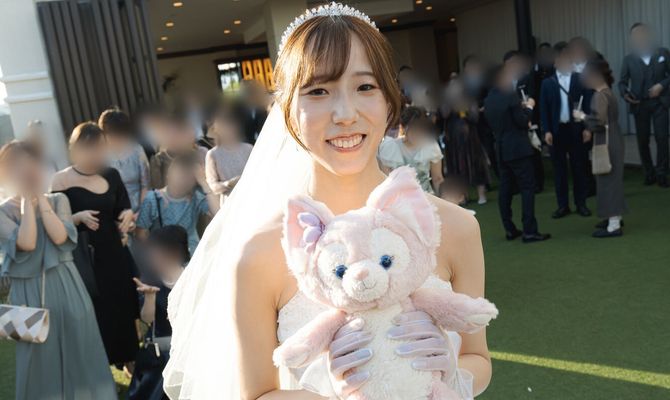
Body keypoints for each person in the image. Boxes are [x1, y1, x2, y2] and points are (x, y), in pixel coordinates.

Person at [163, 4, 492, 399]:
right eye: (318, 91)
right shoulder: (259, 252)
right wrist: (332, 391)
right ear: (288, 112)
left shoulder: (455, 228)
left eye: (365, 87)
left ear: (390, 102)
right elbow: (257, 394)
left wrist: (449, 368)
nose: (345, 114)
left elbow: (478, 358)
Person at [0, 141, 117, 400]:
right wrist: (25, 203)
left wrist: (40, 199)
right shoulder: (2, 212)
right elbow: (27, 243)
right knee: (39, 363)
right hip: (29, 294)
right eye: (16, 166)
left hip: (67, 286)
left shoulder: (58, 199)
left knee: (81, 353)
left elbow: (60, 236)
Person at [51, 122, 140, 370]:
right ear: (74, 149)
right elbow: (53, 223)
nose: (95, 154)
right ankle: (101, 365)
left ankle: (130, 360)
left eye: (100, 148)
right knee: (96, 310)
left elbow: (123, 207)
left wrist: (127, 216)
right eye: (89, 148)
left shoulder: (111, 174)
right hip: (83, 257)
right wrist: (77, 218)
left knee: (122, 304)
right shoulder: (60, 180)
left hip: (114, 251)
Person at [484, 65, 551, 243]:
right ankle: (529, 230)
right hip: (518, 148)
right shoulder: (511, 96)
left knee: (505, 189)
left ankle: (509, 228)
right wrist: (529, 107)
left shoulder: (489, 99)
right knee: (527, 188)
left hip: (501, 148)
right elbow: (522, 121)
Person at [128, 225, 189, 400]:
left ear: (174, 252)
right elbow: (147, 318)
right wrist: (150, 297)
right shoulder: (150, 279)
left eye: (157, 253)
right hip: (160, 354)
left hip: (186, 350)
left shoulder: (191, 277)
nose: (152, 258)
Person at [574, 59, 628, 237]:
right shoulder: (607, 92)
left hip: (606, 141)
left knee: (608, 181)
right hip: (613, 138)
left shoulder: (599, 96)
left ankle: (613, 225)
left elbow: (598, 121)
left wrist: (582, 117)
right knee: (611, 179)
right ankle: (613, 217)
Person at [540, 42, 593, 219]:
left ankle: (581, 203)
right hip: (556, 131)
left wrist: (588, 128)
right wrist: (547, 131)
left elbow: (588, 104)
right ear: (555, 63)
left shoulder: (580, 79)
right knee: (559, 170)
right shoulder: (547, 83)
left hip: (576, 128)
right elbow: (544, 109)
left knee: (579, 167)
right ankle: (562, 205)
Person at [619, 22, 670, 188]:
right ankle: (649, 173)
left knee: (662, 139)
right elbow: (622, 83)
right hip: (639, 104)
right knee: (642, 141)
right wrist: (625, 94)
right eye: (635, 35)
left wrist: (661, 85)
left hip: (660, 103)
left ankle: (662, 173)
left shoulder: (662, 53)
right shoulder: (628, 59)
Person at [137, 153, 219, 254]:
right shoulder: (153, 199)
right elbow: (141, 232)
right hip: (164, 254)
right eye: (179, 175)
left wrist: (204, 183)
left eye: (188, 177)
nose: (182, 180)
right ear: (168, 175)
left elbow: (219, 213)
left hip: (191, 254)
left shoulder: (196, 197)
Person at [440, 79, 490, 204]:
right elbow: (444, 114)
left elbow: (475, 118)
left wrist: (465, 110)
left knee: (476, 167)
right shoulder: (447, 102)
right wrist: (451, 103)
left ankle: (482, 195)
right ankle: (463, 197)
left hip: (470, 140)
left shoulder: (469, 99)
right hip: (453, 142)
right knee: (457, 170)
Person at [503, 50, 545, 193]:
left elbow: (533, 97)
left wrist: (526, 105)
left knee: (534, 151)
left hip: (529, 118)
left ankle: (538, 183)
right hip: (513, 122)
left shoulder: (527, 78)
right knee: (519, 155)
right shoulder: (504, 82)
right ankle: (518, 185)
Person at [378, 106, 445, 194]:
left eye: (420, 129)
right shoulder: (389, 147)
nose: (416, 133)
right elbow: (385, 181)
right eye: (412, 129)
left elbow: (437, 179)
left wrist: (442, 199)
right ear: (403, 127)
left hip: (425, 196)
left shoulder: (431, 146)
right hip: (398, 197)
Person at [99, 107, 151, 214]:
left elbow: (146, 185)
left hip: (139, 209)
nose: (117, 138)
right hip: (113, 212)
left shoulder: (137, 150)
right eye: (112, 134)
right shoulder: (99, 156)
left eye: (121, 134)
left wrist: (140, 212)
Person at [205, 107, 253, 207]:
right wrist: (228, 184)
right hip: (230, 203)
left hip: (251, 197)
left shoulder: (248, 148)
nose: (228, 130)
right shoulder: (213, 154)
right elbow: (212, 185)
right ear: (217, 130)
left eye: (230, 125)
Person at [149, 113, 208, 189]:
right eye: (169, 132)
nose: (173, 136)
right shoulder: (158, 161)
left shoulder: (199, 153)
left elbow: (208, 181)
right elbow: (157, 189)